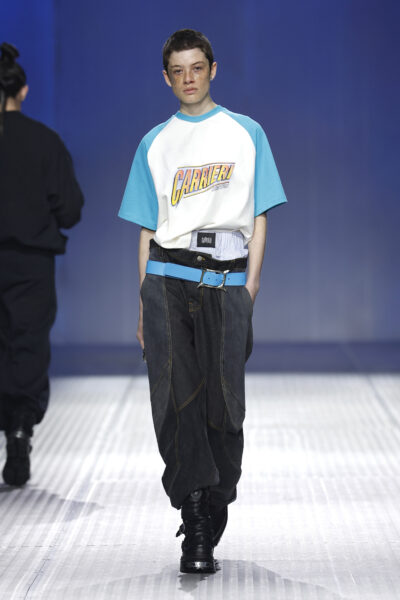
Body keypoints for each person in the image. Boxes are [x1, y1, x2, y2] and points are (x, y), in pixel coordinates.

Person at [119, 29, 287, 574]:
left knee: (224, 407)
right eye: (178, 70)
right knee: (174, 400)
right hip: (166, 278)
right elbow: (147, 230)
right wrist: (143, 303)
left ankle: (215, 500)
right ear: (165, 78)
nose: (188, 78)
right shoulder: (154, 143)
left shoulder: (247, 133)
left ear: (213, 69)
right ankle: (194, 519)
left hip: (226, 282)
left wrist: (251, 286)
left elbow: (259, 215)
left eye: (197, 67)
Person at [0, 43, 84, 486]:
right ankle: (19, 430)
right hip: (30, 263)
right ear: (23, 90)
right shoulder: (44, 142)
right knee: (27, 346)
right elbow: (69, 209)